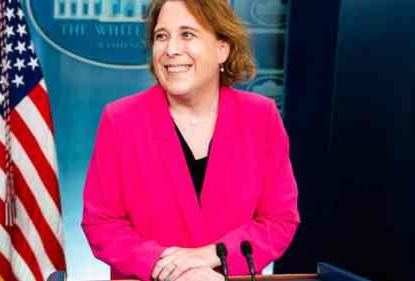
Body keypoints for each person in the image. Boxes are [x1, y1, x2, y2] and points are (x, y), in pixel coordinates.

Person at [81, 0, 300, 280]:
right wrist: (169, 269)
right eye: (162, 36)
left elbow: (278, 220)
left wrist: (212, 254)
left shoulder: (261, 117)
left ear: (222, 49)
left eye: (187, 34)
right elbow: (102, 223)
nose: (171, 49)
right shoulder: (120, 119)